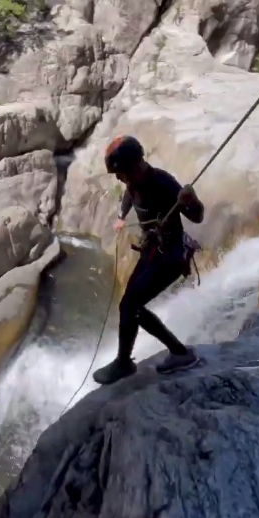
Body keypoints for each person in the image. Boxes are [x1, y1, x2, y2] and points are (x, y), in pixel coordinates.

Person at [93, 135, 205, 386]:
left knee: (132, 304)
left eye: (120, 174)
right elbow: (129, 197)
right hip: (153, 252)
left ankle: (175, 354)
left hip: (171, 254)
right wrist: (122, 216)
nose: (119, 179)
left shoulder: (162, 183)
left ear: (132, 167)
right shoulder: (134, 183)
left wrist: (192, 200)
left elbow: (197, 216)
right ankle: (133, 360)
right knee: (128, 306)